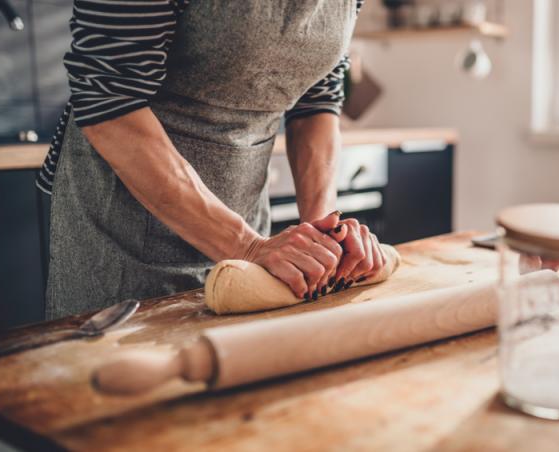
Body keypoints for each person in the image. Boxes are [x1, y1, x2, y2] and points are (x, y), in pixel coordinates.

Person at [37, 0, 384, 319]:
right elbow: (109, 102)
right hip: (122, 233)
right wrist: (245, 246)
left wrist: (324, 235)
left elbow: (318, 101)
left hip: (248, 227)